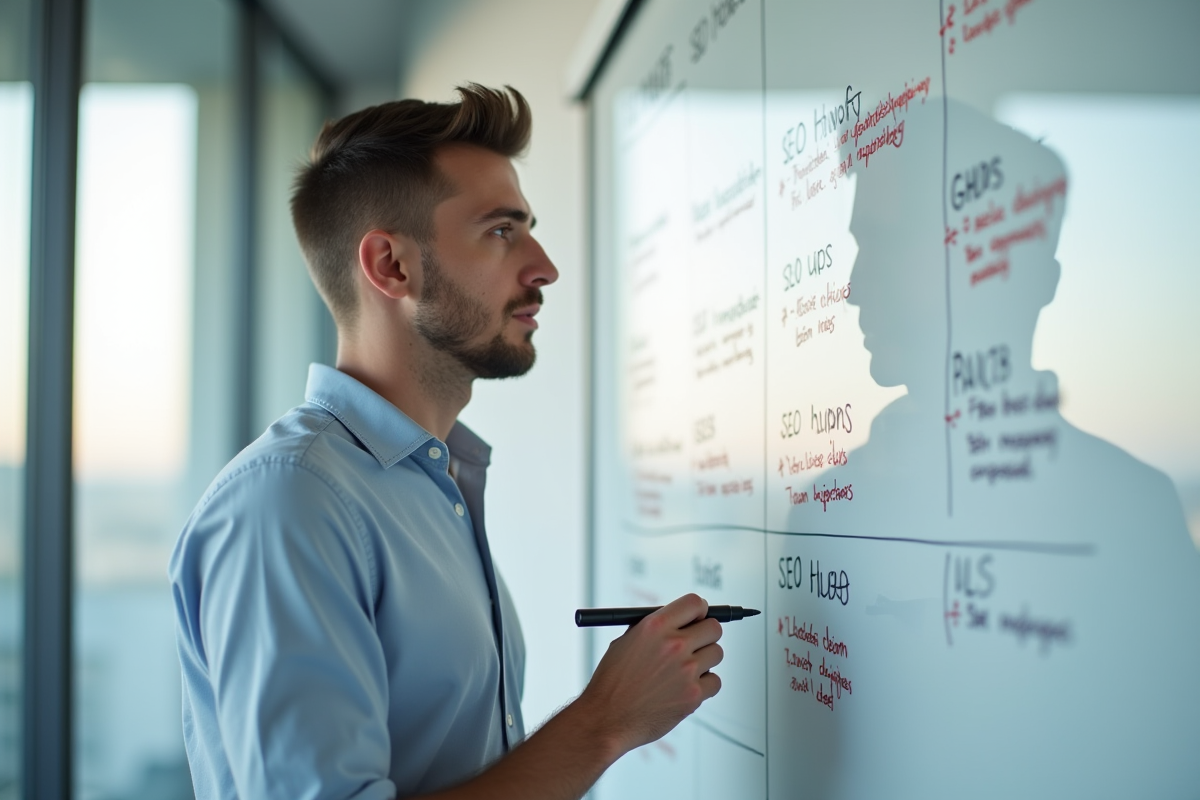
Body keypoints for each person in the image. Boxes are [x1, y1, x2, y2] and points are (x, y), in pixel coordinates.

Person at [168, 84, 724, 800]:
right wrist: (603, 723)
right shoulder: (291, 502)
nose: (543, 266)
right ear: (392, 267)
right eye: (501, 230)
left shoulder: (436, 485)